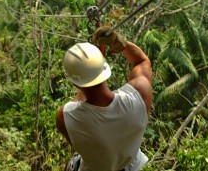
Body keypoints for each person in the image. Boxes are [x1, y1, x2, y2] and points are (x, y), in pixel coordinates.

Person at [56, 26, 152, 171]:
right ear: (105, 69)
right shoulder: (139, 96)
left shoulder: (66, 117)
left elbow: (79, 100)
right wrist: (120, 44)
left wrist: (87, 73)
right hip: (132, 166)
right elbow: (142, 62)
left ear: (74, 83)